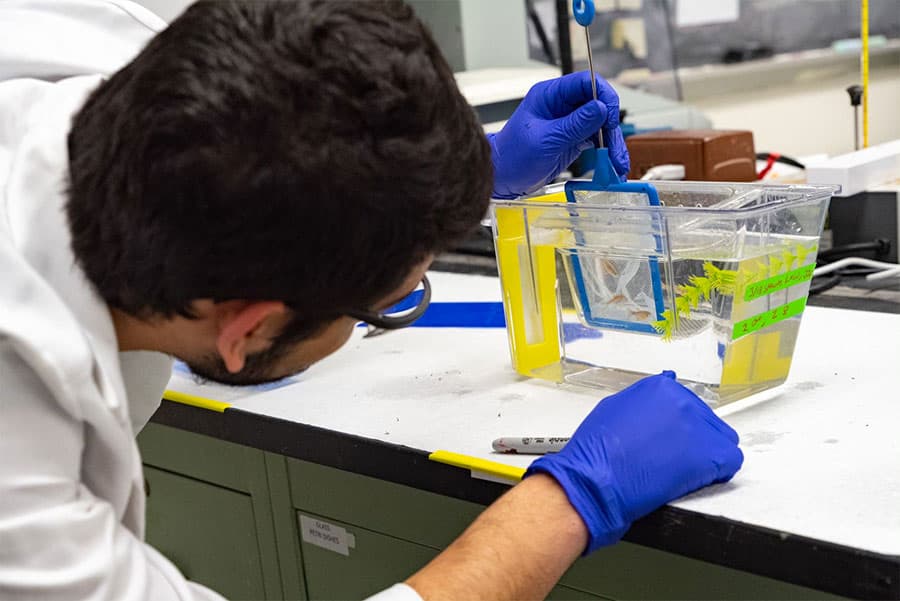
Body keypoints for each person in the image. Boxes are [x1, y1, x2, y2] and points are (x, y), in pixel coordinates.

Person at [0, 1, 742, 600]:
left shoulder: (122, 44)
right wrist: (570, 501)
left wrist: (445, 178)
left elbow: (285, 124)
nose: (390, 308)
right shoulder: (18, 475)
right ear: (249, 328)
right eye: (384, 306)